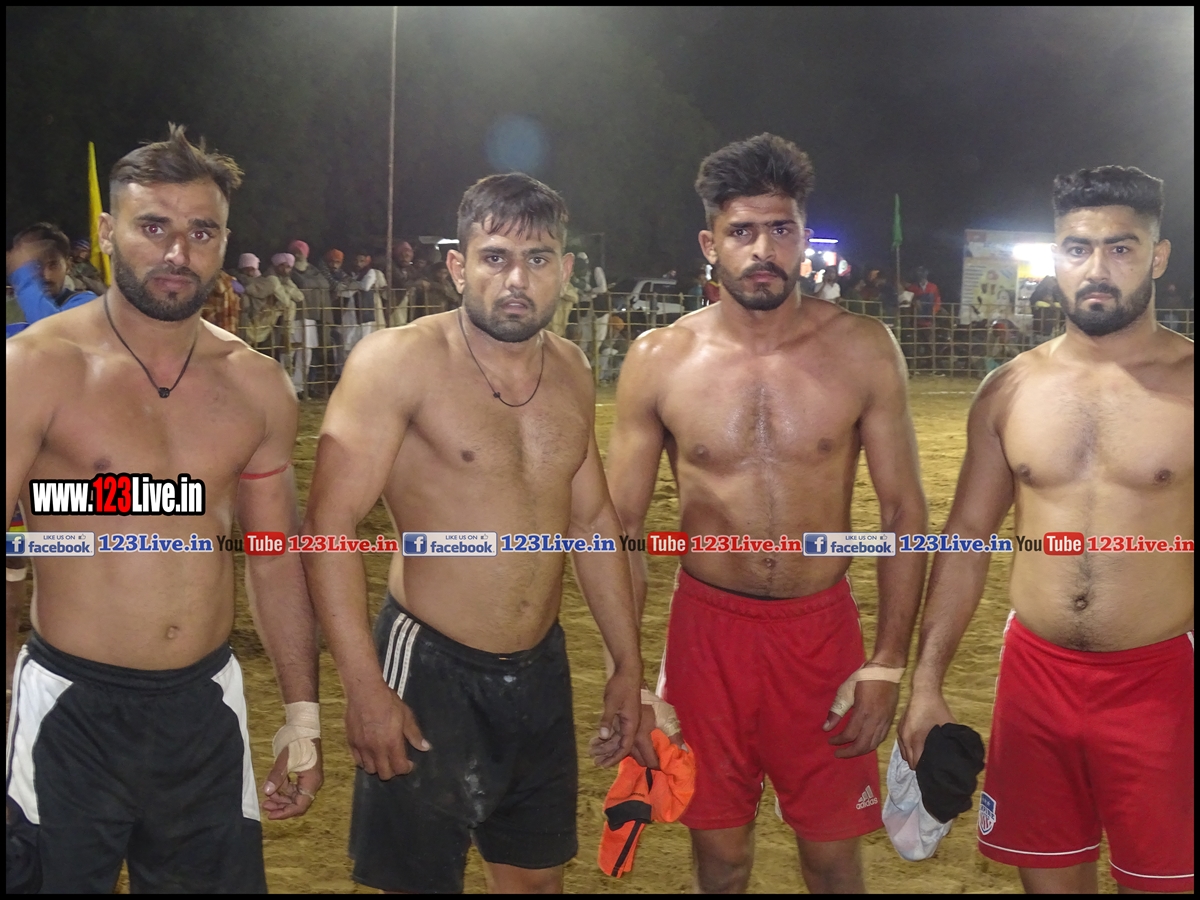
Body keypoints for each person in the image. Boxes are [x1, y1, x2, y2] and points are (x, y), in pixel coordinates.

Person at [303, 172, 644, 895]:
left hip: (540, 670)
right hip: (429, 668)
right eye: (495, 258)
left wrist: (627, 663)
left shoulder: (573, 370)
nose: (517, 280)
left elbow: (591, 522)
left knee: (536, 884)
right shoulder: (397, 362)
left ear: (565, 270)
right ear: (459, 266)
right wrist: (363, 688)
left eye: (538, 259)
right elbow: (329, 525)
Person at [606, 133, 928, 894]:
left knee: (832, 860)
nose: (762, 250)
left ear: (804, 237)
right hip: (706, 636)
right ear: (710, 244)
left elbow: (903, 511)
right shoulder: (658, 359)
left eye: (780, 229)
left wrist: (887, 662)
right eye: (742, 231)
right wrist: (632, 676)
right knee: (720, 860)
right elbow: (620, 530)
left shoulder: (863, 348)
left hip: (822, 634)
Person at [5, 124, 322, 893]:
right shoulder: (37, 368)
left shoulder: (256, 384)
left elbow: (274, 559)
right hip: (68, 710)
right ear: (106, 231)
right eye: (153, 227)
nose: (178, 252)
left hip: (204, 711)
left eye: (201, 232)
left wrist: (303, 713)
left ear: (224, 241)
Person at [898, 165, 1193, 894]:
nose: (1097, 269)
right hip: (1035, 683)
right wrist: (926, 684)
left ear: (1157, 257)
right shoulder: (1008, 390)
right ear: (1056, 257)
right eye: (1077, 249)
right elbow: (966, 539)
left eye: (1121, 248)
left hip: (1159, 685)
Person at [7, 223, 99, 324]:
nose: (47, 276)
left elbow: (50, 328)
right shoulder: (10, 310)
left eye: (53, 265)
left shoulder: (86, 304)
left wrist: (25, 280)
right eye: (35, 266)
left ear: (68, 266)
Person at [287, 240, 334, 396]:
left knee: (306, 352)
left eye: (300, 251)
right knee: (289, 350)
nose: (297, 254)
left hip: (311, 316)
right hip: (293, 316)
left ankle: (298, 387)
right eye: (295, 251)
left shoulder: (313, 270)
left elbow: (324, 284)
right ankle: (284, 385)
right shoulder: (288, 270)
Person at [269, 251, 313, 395]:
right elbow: (286, 301)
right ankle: (283, 387)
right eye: (283, 265)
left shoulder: (286, 280)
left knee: (292, 351)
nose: (286, 269)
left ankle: (294, 388)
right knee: (284, 352)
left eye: (288, 266)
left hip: (286, 322)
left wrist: (287, 287)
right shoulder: (271, 279)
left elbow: (299, 296)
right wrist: (287, 291)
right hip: (272, 321)